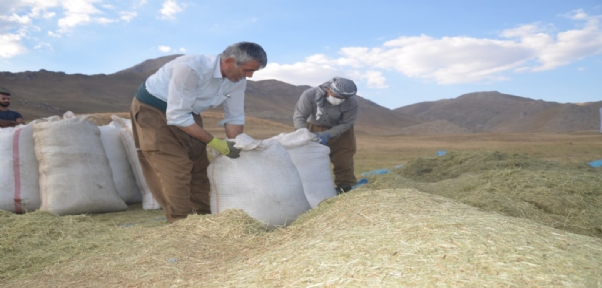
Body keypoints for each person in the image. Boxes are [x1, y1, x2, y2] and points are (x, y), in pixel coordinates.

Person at [130, 42, 267, 222]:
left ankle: (204, 219)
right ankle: (181, 225)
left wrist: (236, 145)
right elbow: (177, 116)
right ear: (229, 62)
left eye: (253, 72)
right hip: (153, 110)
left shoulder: (237, 81)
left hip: (189, 113)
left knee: (200, 167)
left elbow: (234, 116)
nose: (249, 76)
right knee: (174, 168)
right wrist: (215, 142)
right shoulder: (190, 69)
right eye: (247, 70)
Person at [293, 77, 359, 194]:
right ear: (328, 89)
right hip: (313, 126)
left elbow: (347, 123)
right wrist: (303, 134)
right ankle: (311, 189)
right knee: (310, 159)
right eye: (337, 96)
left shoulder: (351, 102)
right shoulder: (310, 95)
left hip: (341, 131)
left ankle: (345, 187)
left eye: (343, 98)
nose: (339, 100)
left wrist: (327, 134)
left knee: (343, 159)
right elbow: (300, 116)